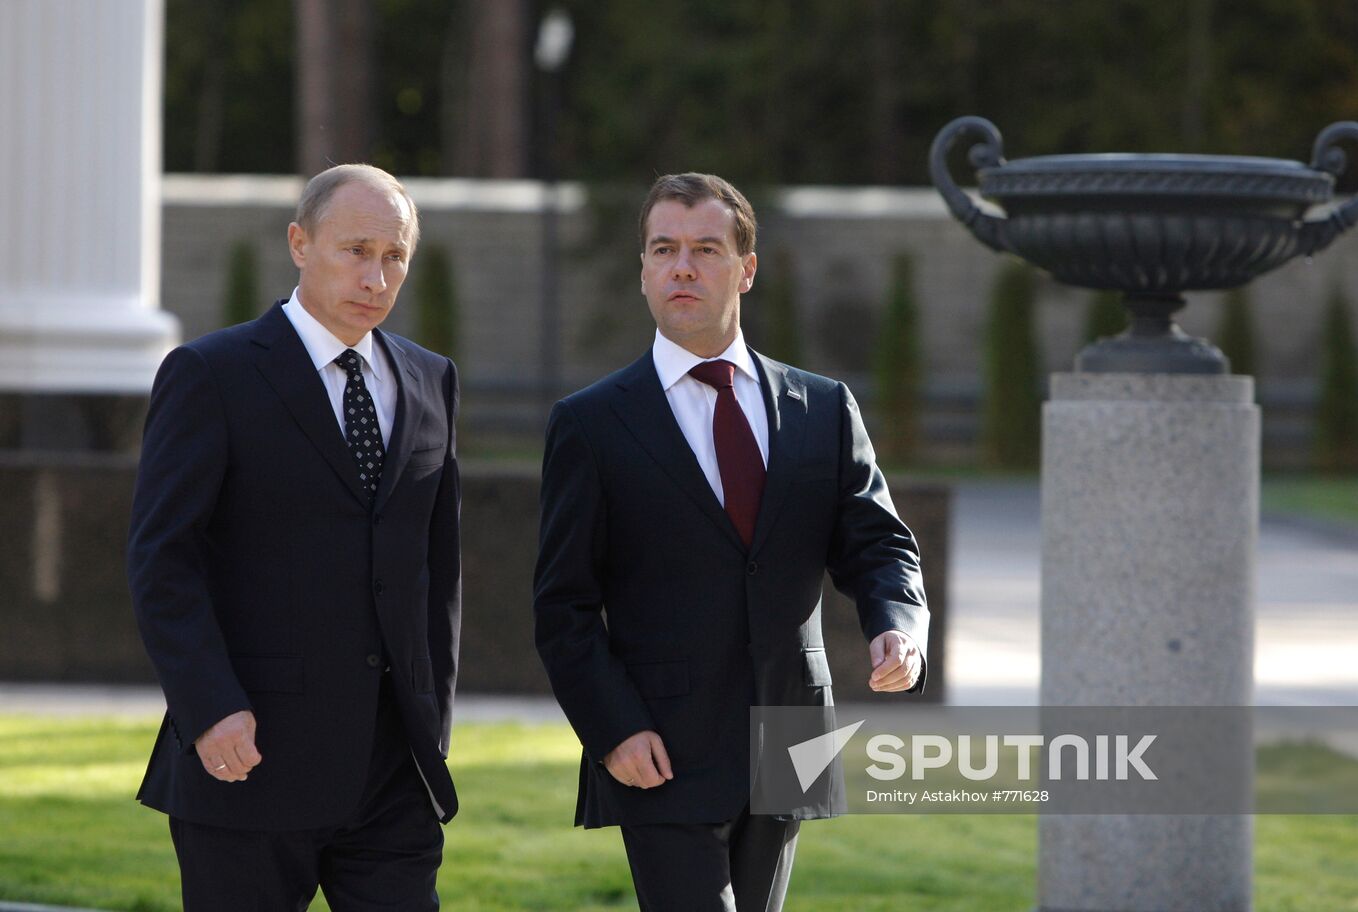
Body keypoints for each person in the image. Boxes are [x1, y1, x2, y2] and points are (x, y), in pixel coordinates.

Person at [533, 172, 929, 912]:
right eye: (664, 249)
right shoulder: (590, 425)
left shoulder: (822, 407)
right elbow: (563, 606)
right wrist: (613, 729)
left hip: (790, 731)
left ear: (746, 269)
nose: (683, 266)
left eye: (706, 249)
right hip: (658, 742)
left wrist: (897, 625)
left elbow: (877, 543)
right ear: (644, 270)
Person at [128, 163, 461, 910]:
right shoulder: (210, 374)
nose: (377, 275)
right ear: (299, 243)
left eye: (395, 255)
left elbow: (436, 570)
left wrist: (430, 720)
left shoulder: (431, 379)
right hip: (246, 760)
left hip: (391, 775)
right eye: (356, 249)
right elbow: (162, 560)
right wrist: (208, 705)